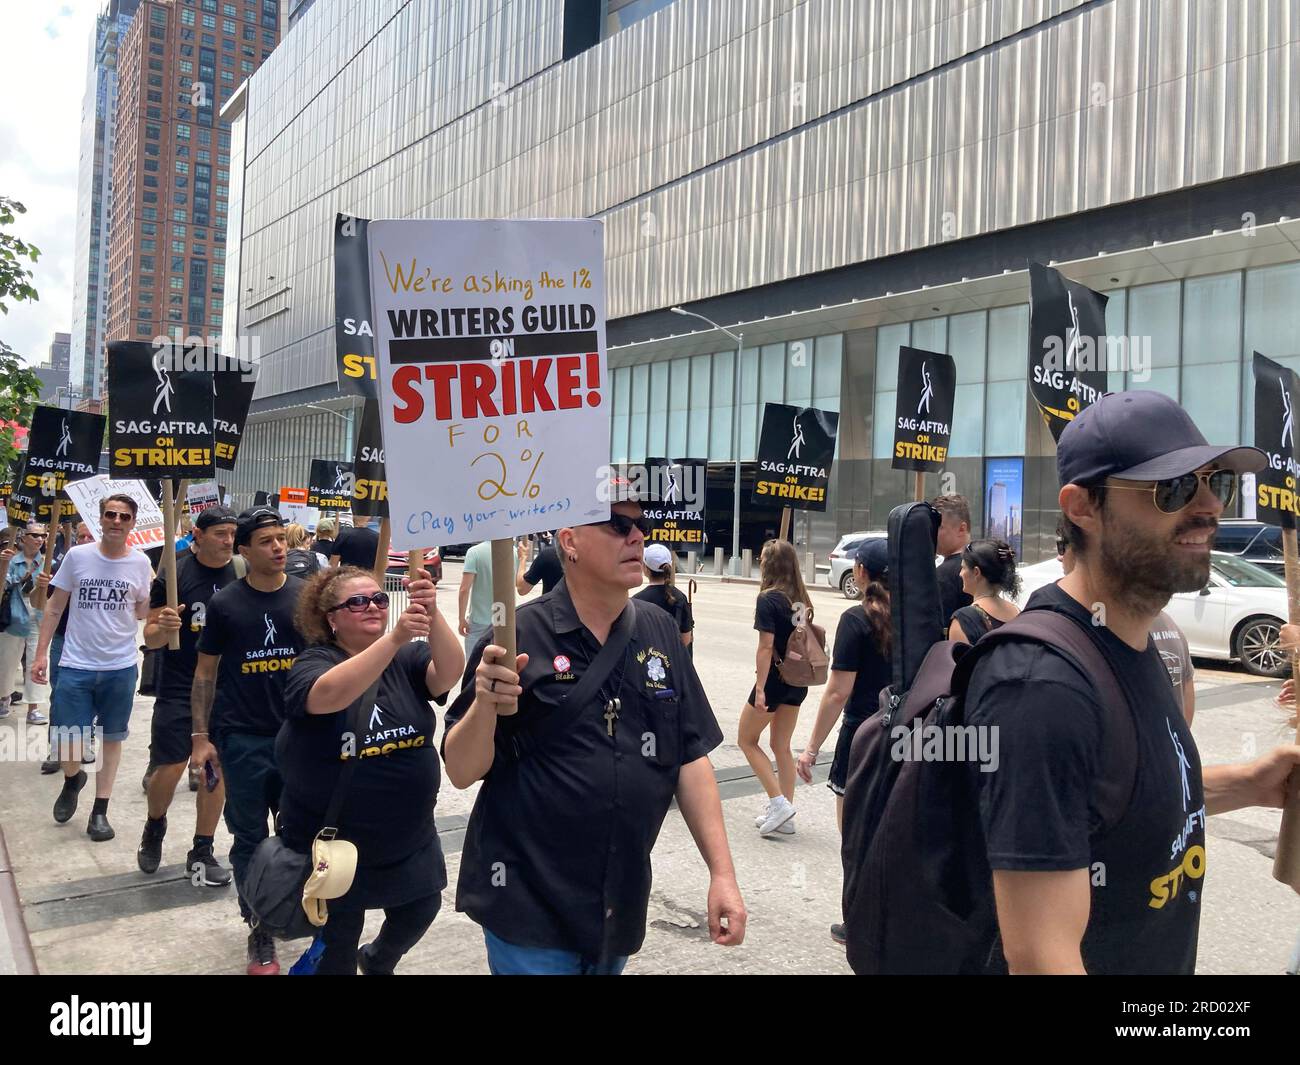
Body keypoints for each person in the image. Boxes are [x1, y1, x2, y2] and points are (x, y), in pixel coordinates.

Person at [964, 390, 1300, 974]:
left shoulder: (1133, 641)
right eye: (1172, 489)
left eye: (1214, 484)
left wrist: (1249, 782)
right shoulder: (1041, 686)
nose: (1207, 509)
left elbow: (1116, 807)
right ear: (1082, 507)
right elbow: (1044, 959)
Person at [443, 493, 746, 974]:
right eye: (616, 525)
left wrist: (722, 874)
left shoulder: (659, 629)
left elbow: (689, 754)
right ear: (570, 542)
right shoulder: (517, 636)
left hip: (617, 902)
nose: (637, 536)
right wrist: (484, 703)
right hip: (527, 900)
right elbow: (461, 770)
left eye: (640, 525)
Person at [279, 564, 463, 974]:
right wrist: (396, 636)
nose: (373, 607)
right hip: (340, 840)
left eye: (379, 599)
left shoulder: (406, 658)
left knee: (422, 906)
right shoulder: (314, 662)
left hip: (408, 833)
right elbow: (325, 695)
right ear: (331, 618)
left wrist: (432, 616)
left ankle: (379, 959)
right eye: (357, 602)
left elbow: (448, 672)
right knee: (338, 942)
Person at [192, 507, 305, 975]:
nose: (278, 548)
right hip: (242, 739)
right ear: (243, 550)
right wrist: (201, 738)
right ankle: (258, 924)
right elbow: (205, 674)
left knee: (305, 835)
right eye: (266, 541)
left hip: (300, 738)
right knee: (250, 838)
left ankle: (306, 912)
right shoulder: (226, 605)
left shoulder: (305, 598)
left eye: (281, 539)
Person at [32, 496, 153, 842]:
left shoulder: (141, 563)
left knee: (112, 738)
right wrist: (41, 654)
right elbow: (54, 608)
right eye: (111, 514)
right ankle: (73, 779)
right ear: (100, 519)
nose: (117, 520)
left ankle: (100, 810)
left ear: (132, 523)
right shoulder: (77, 556)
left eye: (124, 516)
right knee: (68, 739)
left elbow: (142, 612)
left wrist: (153, 591)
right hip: (76, 663)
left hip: (120, 666)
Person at [137, 507, 240, 886]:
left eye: (232, 533)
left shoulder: (242, 573)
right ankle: (155, 823)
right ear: (197, 534)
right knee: (171, 766)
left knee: (216, 769)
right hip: (180, 685)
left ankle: (202, 848)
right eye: (220, 534)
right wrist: (163, 627)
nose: (228, 541)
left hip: (226, 688)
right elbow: (149, 638)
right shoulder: (174, 573)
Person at [796, 538, 891, 942]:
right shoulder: (923, 613)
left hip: (861, 736)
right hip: (907, 731)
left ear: (861, 573)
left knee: (854, 838)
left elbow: (837, 692)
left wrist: (812, 747)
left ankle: (858, 924)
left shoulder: (856, 620)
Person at [1048, 519, 1196, 724]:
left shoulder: (1092, 632)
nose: (1059, 557)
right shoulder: (1170, 626)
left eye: (1062, 546)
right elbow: (1185, 715)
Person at [738, 538, 814, 837]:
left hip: (774, 680)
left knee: (746, 739)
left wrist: (759, 688)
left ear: (769, 564)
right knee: (780, 745)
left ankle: (778, 802)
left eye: (762, 558)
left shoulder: (768, 599)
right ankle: (786, 813)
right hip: (798, 680)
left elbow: (766, 646)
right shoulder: (800, 599)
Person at [39, 523, 94, 775]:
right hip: (63, 640)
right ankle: (56, 747)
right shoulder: (61, 565)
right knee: (60, 694)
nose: (83, 539)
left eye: (89, 535)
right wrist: (40, 587)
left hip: (94, 644)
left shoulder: (112, 567)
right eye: (80, 535)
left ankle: (85, 742)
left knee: (92, 696)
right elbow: (43, 604)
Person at [0, 523, 49, 725]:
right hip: (13, 613)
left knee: (36, 662)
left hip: (38, 614)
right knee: (7, 659)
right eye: (34, 535)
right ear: (23, 538)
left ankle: (34, 707)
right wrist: (2, 565)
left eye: (43, 536)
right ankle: (4, 697)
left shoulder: (47, 561)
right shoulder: (11, 560)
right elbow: (3, 585)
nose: (39, 539)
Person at [947, 539, 1021, 645]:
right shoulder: (1017, 612)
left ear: (976, 572)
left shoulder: (964, 620)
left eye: (963, 568)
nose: (960, 574)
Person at [632, 543, 693, 650]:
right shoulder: (680, 597)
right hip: (673, 660)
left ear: (645, 568)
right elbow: (686, 638)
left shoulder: (636, 600)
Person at [932, 494, 973, 623]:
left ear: (962, 529)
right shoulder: (986, 562)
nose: (932, 532)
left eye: (939, 527)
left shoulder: (944, 575)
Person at [459, 539, 495, 656]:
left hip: (479, 620)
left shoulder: (474, 552)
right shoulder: (512, 552)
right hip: (503, 618)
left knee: (473, 666)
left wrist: (461, 619)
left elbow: (464, 589)